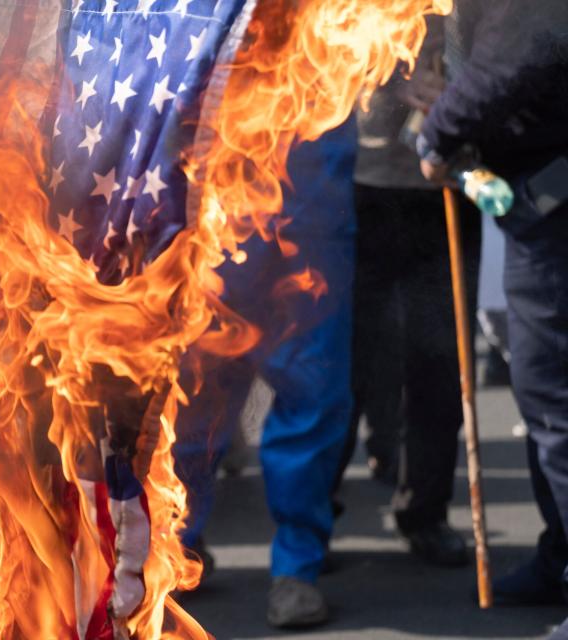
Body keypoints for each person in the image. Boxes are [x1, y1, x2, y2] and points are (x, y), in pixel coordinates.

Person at [175, 115, 357, 629]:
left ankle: (297, 568)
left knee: (312, 398)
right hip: (215, 228)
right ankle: (177, 548)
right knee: (194, 401)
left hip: (310, 233)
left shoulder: (336, 34)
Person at [416, 0, 568, 608]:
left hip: (554, 196)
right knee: (545, 399)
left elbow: (517, 51)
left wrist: (439, 131)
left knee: (556, 398)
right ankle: (560, 556)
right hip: (540, 189)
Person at [334, 15, 480, 567]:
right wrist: (394, 79)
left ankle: (426, 511)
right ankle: (313, 518)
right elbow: (316, 47)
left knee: (442, 360)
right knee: (346, 362)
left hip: (451, 182)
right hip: (363, 180)